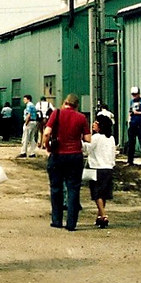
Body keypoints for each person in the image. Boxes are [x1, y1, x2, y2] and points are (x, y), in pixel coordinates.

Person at [41, 93, 91, 231]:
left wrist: (47, 147)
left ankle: (57, 220)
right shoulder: (81, 117)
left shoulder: (56, 113)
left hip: (57, 155)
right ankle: (71, 223)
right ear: (77, 105)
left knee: (56, 188)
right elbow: (88, 138)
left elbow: (46, 133)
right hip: (75, 156)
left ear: (65, 102)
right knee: (73, 188)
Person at [83, 114, 116, 228]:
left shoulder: (96, 137)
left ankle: (104, 215)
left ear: (100, 125)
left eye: (96, 123)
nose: (93, 124)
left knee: (97, 194)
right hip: (108, 168)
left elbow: (87, 149)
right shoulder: (111, 138)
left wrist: (80, 141)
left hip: (97, 168)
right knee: (104, 193)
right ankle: (99, 216)